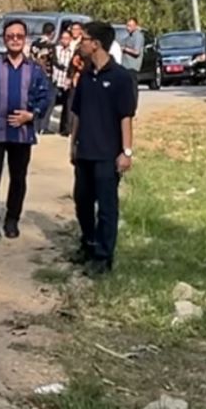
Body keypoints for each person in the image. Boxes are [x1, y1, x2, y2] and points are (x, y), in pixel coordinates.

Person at [0, 20, 52, 245]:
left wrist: (32, 115)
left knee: (18, 178)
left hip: (21, 134)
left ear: (25, 39)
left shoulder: (35, 70)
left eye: (19, 36)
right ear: (4, 39)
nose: (15, 39)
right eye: (10, 36)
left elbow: (45, 98)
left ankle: (12, 220)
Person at [69, 21, 137, 276]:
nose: (80, 43)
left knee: (107, 208)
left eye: (84, 39)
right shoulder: (85, 77)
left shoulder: (121, 78)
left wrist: (126, 152)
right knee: (82, 202)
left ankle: (103, 256)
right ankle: (88, 243)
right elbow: (77, 114)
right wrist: (73, 144)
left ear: (96, 44)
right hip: (85, 151)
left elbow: (126, 117)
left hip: (108, 154)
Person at [30, 23, 58, 134]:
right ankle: (44, 126)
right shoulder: (50, 46)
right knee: (49, 100)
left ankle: (35, 125)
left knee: (36, 99)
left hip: (34, 75)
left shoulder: (34, 44)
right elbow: (54, 61)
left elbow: (31, 58)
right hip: (46, 75)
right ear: (52, 33)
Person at [53, 29, 77, 136]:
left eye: (67, 38)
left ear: (71, 39)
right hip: (56, 80)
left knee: (67, 106)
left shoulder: (73, 51)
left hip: (68, 82)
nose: (64, 40)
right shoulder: (56, 49)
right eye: (62, 38)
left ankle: (66, 128)